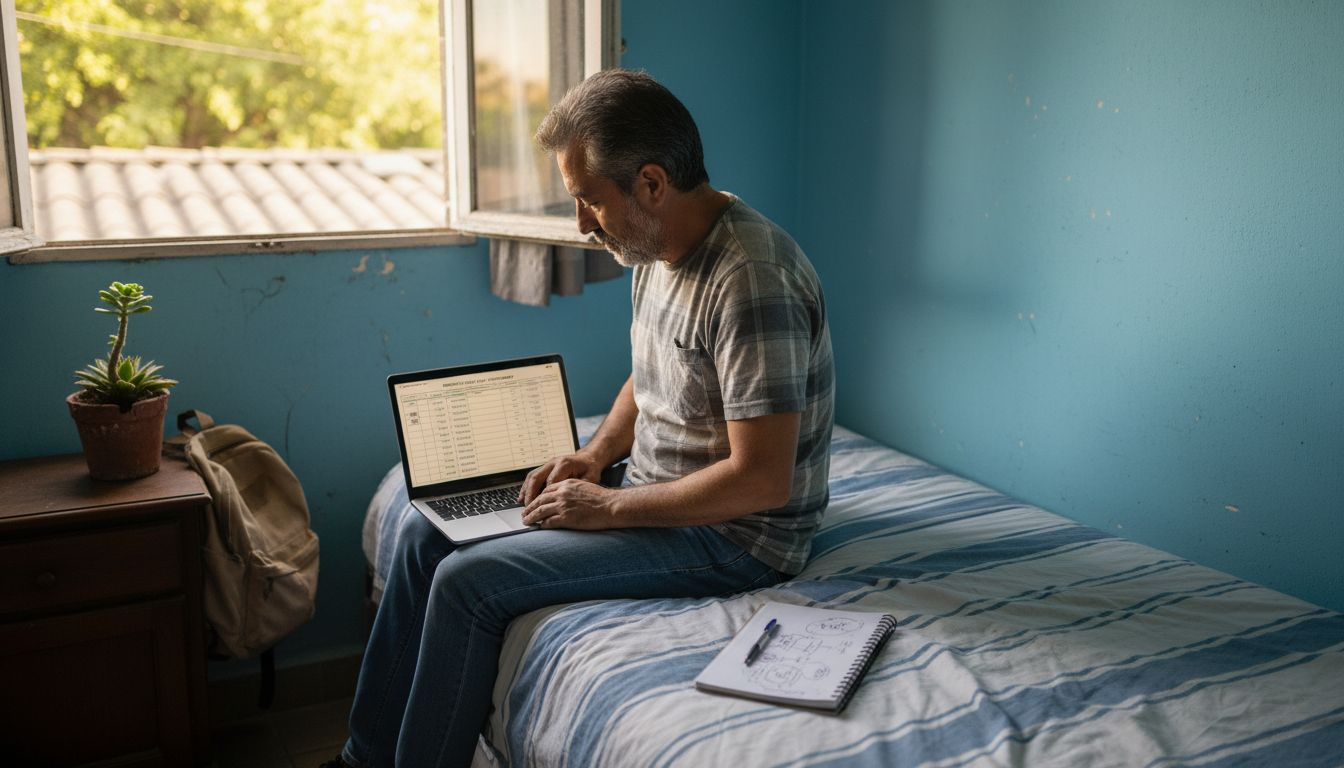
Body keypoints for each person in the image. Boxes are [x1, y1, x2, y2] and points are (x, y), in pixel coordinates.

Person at [326, 68, 834, 768]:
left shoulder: (750, 279)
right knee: (423, 529)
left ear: (651, 183)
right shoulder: (657, 245)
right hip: (655, 487)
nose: (580, 224)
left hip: (734, 534)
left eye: (588, 200)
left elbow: (762, 481)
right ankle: (365, 756)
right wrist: (595, 456)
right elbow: (655, 373)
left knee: (467, 585)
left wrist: (609, 508)